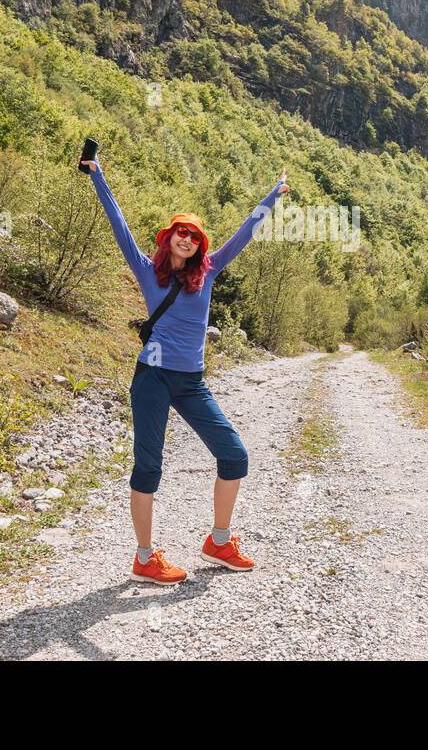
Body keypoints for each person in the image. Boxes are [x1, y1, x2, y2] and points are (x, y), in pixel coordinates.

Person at [83, 152, 288, 585]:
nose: (186, 239)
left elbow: (244, 233)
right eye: (180, 233)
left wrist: (273, 195)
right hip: (152, 379)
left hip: (192, 382)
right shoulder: (146, 270)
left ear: (199, 245)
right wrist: (98, 175)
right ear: (167, 238)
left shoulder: (208, 273)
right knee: (148, 467)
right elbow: (117, 222)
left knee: (234, 455)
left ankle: (218, 541)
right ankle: (144, 557)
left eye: (193, 236)